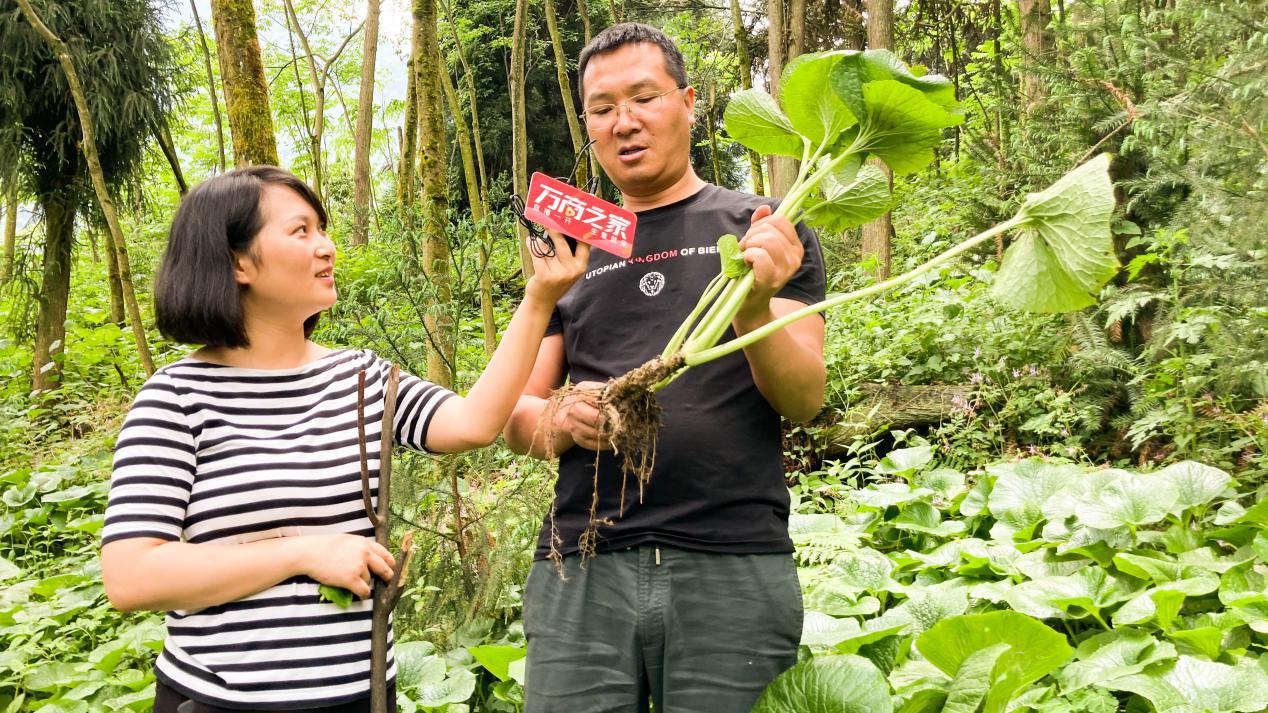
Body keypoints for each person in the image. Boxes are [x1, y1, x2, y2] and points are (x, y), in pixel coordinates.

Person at [100, 166, 588, 712]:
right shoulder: (176, 399)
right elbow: (132, 574)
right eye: (300, 231)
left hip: (362, 696)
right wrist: (304, 552)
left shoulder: (361, 378)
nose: (327, 247)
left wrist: (539, 298)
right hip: (221, 700)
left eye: (323, 229)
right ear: (237, 262)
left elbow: (473, 423)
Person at [503, 23, 827, 713]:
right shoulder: (571, 250)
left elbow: (803, 397)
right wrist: (563, 416)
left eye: (644, 97)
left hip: (732, 557)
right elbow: (516, 416)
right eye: (602, 108)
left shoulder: (764, 225)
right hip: (582, 560)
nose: (624, 122)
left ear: (688, 100)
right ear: (587, 124)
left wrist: (755, 303)